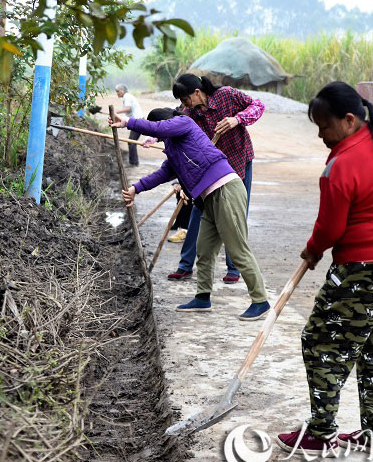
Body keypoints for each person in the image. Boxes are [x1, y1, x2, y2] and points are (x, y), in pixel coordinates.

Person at [275, 81, 373, 457]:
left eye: (324, 126)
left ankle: (320, 432)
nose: (321, 136)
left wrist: (313, 251)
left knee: (320, 343)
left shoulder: (340, 165)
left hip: (365, 270)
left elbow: (330, 229)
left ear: (348, 120)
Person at [111, 108, 270, 320]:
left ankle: (261, 301)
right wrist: (135, 188)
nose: (157, 136)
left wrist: (128, 123)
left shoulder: (183, 122)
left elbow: (159, 127)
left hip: (225, 190)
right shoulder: (173, 147)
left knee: (237, 249)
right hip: (209, 200)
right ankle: (203, 298)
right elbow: (164, 173)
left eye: (159, 131)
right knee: (203, 250)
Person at [159, 74, 264, 284]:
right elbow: (171, 125)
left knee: (235, 213)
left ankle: (234, 268)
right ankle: (185, 265)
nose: (184, 105)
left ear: (197, 92)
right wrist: (153, 137)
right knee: (198, 211)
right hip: (211, 168)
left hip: (238, 162)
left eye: (185, 99)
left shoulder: (226, 96)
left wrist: (237, 119)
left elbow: (258, 105)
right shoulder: (189, 112)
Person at [115, 84, 144, 166]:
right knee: (131, 142)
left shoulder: (127, 96)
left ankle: (134, 163)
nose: (117, 93)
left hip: (138, 121)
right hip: (136, 121)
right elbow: (128, 114)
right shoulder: (127, 97)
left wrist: (117, 112)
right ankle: (133, 162)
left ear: (122, 91)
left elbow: (128, 108)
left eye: (117, 91)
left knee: (131, 142)